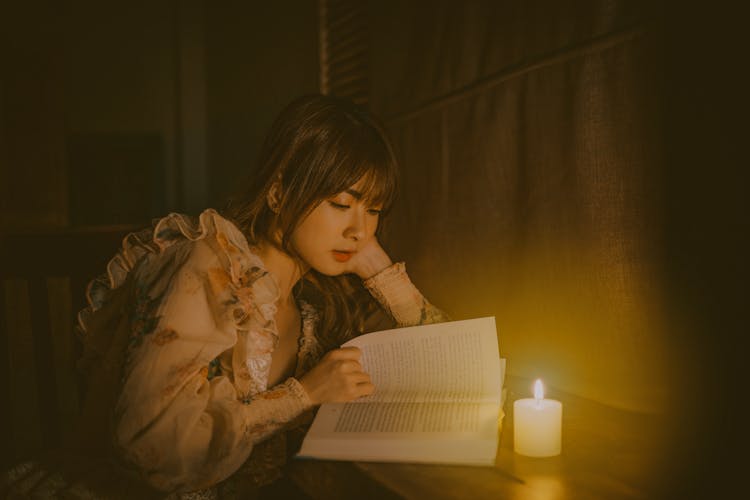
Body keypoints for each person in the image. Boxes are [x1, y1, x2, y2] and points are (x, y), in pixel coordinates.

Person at [2, 94, 448, 499]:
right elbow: (147, 449)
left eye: (373, 210)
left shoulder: (314, 306)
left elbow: (448, 363)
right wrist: (302, 396)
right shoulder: (203, 267)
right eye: (340, 203)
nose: (359, 229)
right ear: (278, 191)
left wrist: (378, 268)